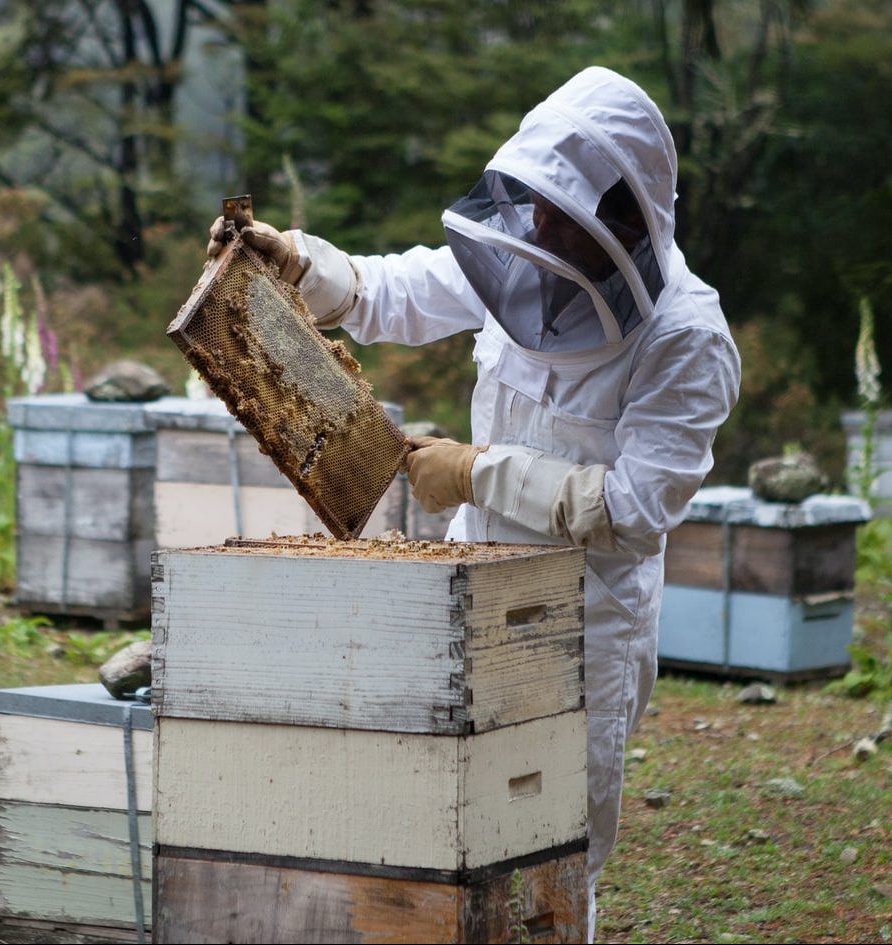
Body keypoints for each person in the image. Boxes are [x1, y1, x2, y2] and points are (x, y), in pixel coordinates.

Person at [208, 66, 740, 941]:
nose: (537, 227)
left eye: (562, 212)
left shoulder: (686, 337)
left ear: (623, 217)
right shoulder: (524, 257)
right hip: (468, 599)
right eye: (533, 202)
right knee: (441, 837)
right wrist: (297, 261)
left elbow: (638, 509)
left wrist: (474, 470)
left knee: (548, 864)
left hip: (584, 628)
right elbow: (391, 291)